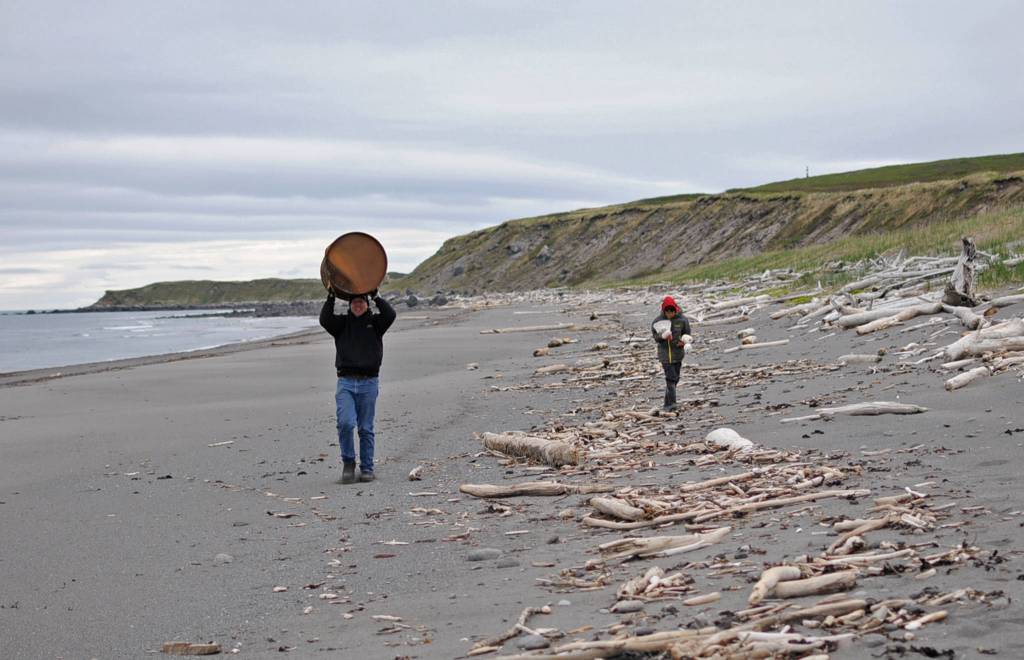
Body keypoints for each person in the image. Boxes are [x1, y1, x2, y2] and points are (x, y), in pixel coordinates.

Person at [319, 288, 396, 484]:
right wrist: (331, 297)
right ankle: (348, 463)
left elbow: (390, 314)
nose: (358, 305)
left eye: (361, 302)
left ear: (366, 304)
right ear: (350, 305)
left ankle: (367, 468)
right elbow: (324, 319)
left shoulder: (376, 323)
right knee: (345, 423)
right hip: (345, 382)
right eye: (354, 303)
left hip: (369, 382)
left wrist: (376, 295)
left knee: (365, 428)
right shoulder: (341, 325)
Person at [651, 295, 691, 411]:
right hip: (664, 354)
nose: (669, 314)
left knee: (675, 378)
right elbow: (655, 337)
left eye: (671, 311)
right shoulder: (657, 321)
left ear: (675, 309)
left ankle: (666, 403)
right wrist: (662, 336)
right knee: (671, 378)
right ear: (664, 311)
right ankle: (672, 404)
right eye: (667, 312)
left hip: (677, 354)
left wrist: (683, 343)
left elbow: (687, 335)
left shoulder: (682, 320)